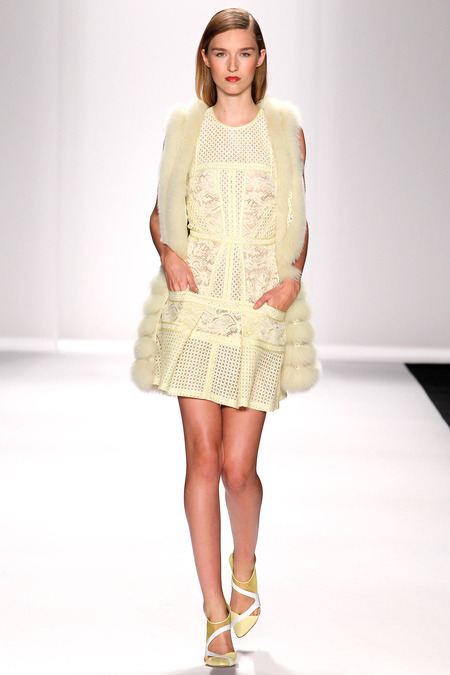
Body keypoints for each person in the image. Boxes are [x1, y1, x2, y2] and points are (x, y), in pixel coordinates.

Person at [131, 7, 320, 668]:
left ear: (260, 58)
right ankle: (214, 611)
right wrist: (169, 256)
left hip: (256, 311)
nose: (233, 65)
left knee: (239, 470)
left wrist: (292, 281)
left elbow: (299, 220)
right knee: (202, 461)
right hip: (196, 308)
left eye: (244, 53)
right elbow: (160, 213)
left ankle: (246, 564)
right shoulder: (186, 126)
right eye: (221, 53)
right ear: (206, 59)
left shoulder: (285, 129)